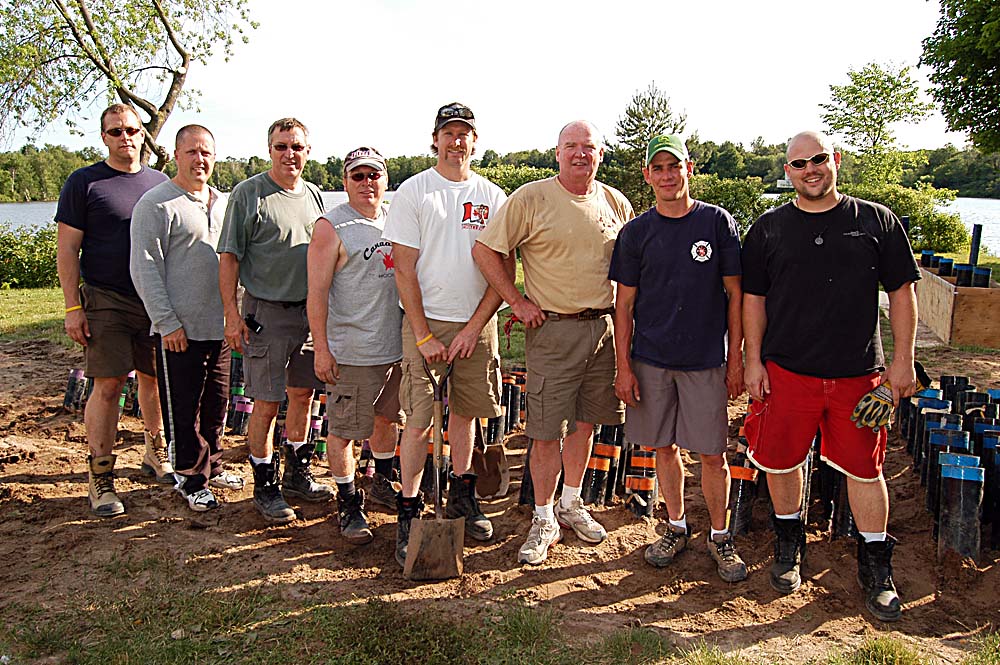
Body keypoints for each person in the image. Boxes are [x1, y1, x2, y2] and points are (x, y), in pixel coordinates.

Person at [742, 130, 919, 621]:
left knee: (866, 469)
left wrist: (902, 362)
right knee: (779, 463)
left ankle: (877, 566)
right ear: (787, 173)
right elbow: (752, 300)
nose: (810, 170)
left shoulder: (876, 221)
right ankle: (788, 542)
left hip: (858, 375)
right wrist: (752, 359)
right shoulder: (768, 229)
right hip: (787, 371)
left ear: (835, 161)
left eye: (818, 159)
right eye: (798, 164)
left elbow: (902, 294)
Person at [473, 120, 634, 565]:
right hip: (553, 330)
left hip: (602, 329)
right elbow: (486, 251)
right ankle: (543, 516)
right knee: (545, 432)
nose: (580, 154)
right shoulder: (531, 198)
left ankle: (571, 502)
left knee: (586, 424)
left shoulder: (614, 202)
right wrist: (517, 301)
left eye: (589, 147)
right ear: (557, 152)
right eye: (571, 146)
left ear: (601, 154)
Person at [609, 135, 746, 582]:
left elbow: (735, 296)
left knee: (711, 453)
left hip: (705, 360)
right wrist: (624, 367)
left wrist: (737, 359)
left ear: (690, 168)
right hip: (651, 360)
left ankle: (721, 537)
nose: (668, 176)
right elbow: (623, 306)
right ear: (648, 175)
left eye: (675, 166)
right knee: (663, 448)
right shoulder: (637, 233)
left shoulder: (716, 223)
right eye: (658, 168)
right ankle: (676, 527)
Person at [381, 102, 508, 567]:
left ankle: (461, 494)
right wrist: (422, 335)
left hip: (478, 323)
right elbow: (404, 271)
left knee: (468, 414)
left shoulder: (494, 197)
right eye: (448, 133)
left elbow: (503, 271)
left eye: (465, 134)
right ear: (434, 139)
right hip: (426, 323)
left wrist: (475, 328)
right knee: (417, 420)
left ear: (475, 141)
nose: (457, 141)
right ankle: (410, 507)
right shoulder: (415, 193)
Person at [56, 103, 168, 517]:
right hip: (106, 298)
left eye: (133, 131)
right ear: (104, 137)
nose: (126, 138)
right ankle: (100, 477)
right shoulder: (84, 183)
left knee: (154, 380)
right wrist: (73, 306)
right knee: (108, 384)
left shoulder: (160, 184)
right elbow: (67, 250)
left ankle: (155, 452)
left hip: (153, 299)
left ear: (143, 136)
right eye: (116, 131)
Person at [217, 117, 331, 525]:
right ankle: (264, 483)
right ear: (270, 150)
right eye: (282, 146)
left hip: (308, 315)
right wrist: (232, 315)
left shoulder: (315, 196)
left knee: (303, 395)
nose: (289, 154)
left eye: (297, 147)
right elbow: (228, 257)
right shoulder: (249, 195)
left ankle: (297, 472)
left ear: (307, 151)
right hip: (265, 313)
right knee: (266, 401)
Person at [131, 124, 244, 513]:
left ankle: (211, 464)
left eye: (207, 153)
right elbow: (144, 269)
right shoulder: (156, 204)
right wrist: (167, 323)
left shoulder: (225, 203)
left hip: (222, 327)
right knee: (183, 405)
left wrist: (236, 317)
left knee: (217, 401)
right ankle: (189, 476)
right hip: (180, 329)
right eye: (192, 152)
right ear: (176, 156)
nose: (200, 160)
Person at [307, 146, 404, 544]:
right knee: (345, 430)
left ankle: (381, 480)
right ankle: (348, 500)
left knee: (387, 420)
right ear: (345, 182)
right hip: (353, 351)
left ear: (385, 180)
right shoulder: (331, 227)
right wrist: (322, 348)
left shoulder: (397, 221)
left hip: (396, 347)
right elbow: (317, 292)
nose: (367, 184)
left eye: (374, 175)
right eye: (358, 176)